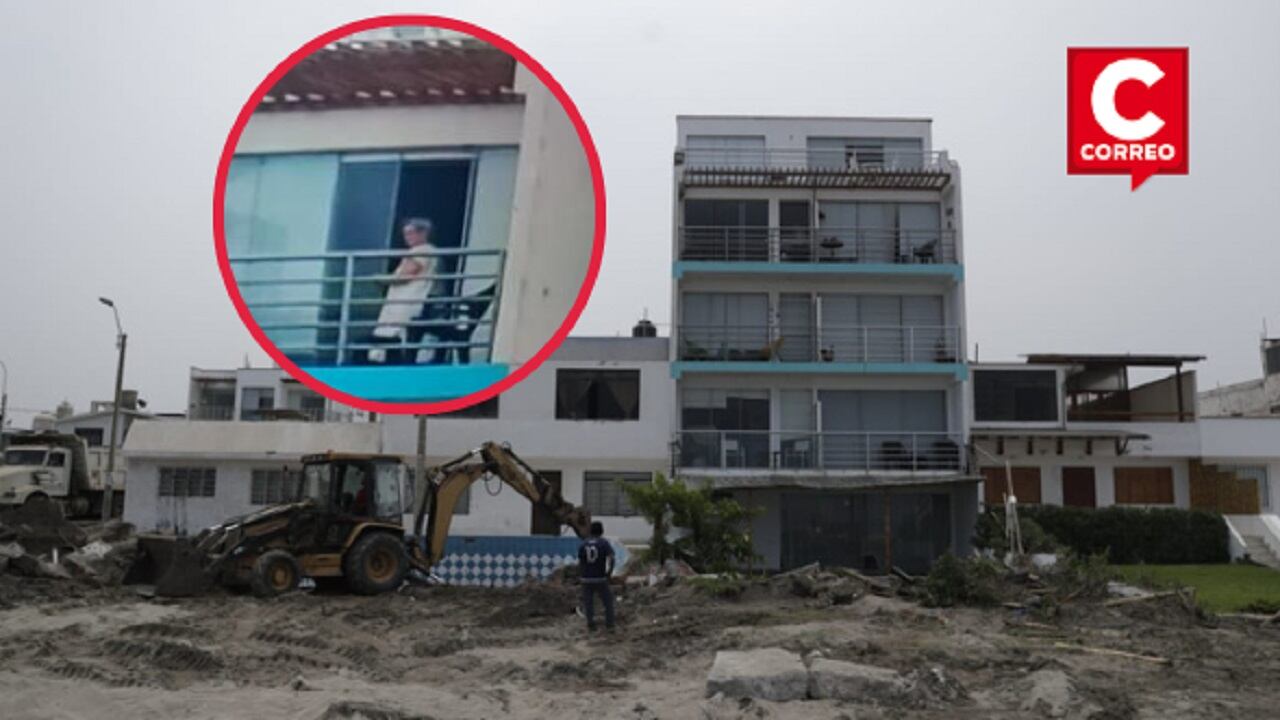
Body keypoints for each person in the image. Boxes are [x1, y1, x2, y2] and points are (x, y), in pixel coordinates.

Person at [367, 219, 436, 364]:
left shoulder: (422, 251)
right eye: (406, 234)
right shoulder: (423, 251)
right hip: (403, 300)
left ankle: (392, 361)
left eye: (411, 233)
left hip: (407, 301)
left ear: (423, 233)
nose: (408, 237)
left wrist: (381, 279)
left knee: (394, 332)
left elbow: (406, 276)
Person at [578, 521, 615, 632]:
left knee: (588, 603)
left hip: (586, 578)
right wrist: (609, 572)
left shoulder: (583, 544)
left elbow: (580, 561)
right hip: (600, 578)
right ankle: (610, 625)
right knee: (608, 601)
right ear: (601, 531)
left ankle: (591, 625)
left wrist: (581, 574)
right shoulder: (604, 543)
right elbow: (612, 558)